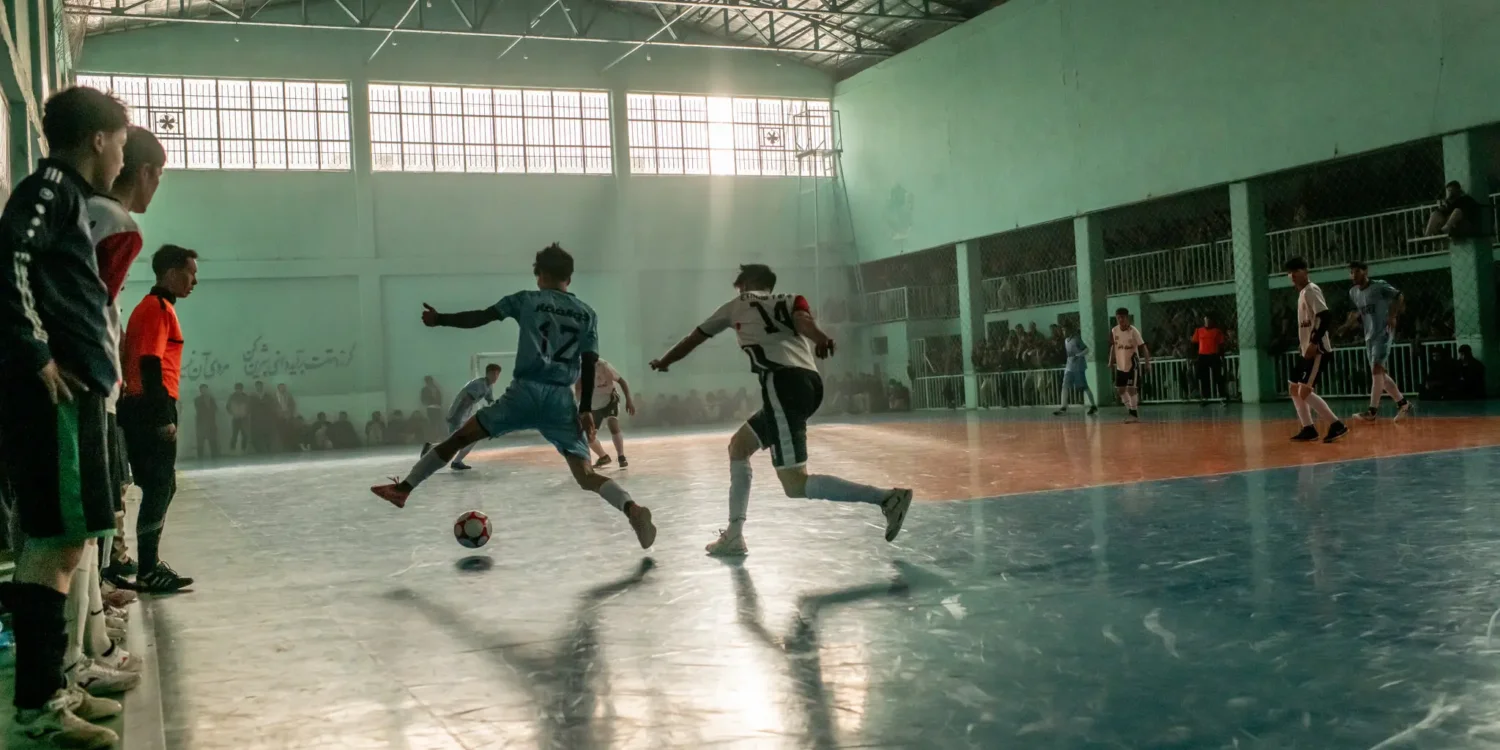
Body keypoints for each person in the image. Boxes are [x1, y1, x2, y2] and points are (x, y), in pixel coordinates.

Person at [370, 243, 657, 550]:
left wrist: (441, 319)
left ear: (540, 275)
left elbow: (481, 317)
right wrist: (584, 408)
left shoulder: (526, 300)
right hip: (562, 400)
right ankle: (632, 509)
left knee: (457, 439)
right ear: (569, 279)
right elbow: (588, 362)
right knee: (586, 476)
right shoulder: (587, 314)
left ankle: (403, 489)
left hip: (524, 392)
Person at [0, 85, 131, 749]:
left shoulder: (68, 198)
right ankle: (38, 708)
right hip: (52, 397)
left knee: (68, 541)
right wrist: (37, 354)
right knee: (53, 546)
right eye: (122, 143)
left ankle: (59, 680)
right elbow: (7, 261)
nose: (124, 158)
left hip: (77, 398)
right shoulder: (48, 190)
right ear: (100, 139)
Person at [650, 264, 913, 557]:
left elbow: (694, 338)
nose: (737, 289)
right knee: (739, 447)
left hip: (781, 383)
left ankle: (887, 499)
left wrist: (664, 361)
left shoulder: (734, 306)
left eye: (739, 285)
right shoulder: (792, 299)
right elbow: (803, 323)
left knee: (794, 484)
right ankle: (734, 534)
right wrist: (821, 339)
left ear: (748, 283)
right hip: (810, 382)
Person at [90, 124, 164, 590]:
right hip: (87, 384)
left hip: (84, 381)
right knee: (84, 517)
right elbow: (94, 308)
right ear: (144, 171)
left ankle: (93, 613)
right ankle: (74, 643)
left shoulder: (81, 210)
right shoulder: (119, 225)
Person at [119, 245, 199, 594]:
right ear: (170, 272)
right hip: (147, 408)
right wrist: (162, 416)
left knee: (163, 486)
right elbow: (150, 364)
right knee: (159, 487)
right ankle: (148, 569)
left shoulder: (157, 308)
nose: (194, 280)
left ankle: (150, 566)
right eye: (189, 272)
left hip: (146, 406)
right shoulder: (156, 309)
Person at [1284, 257, 1348, 443]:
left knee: (1304, 391)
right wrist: (1303, 343)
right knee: (1294, 387)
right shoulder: (1302, 293)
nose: (1293, 274)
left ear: (1305, 271)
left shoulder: (1311, 290)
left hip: (1318, 350)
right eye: (1290, 272)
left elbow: (1324, 316)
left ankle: (1337, 425)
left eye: (1296, 270)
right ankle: (1308, 428)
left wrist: (1313, 341)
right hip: (1307, 349)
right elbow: (1309, 322)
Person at [1345, 261, 1412, 422]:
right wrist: (1350, 323)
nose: (1354, 275)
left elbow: (1399, 296)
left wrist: (1392, 315)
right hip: (1369, 335)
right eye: (1351, 272)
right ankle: (1403, 404)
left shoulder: (1379, 286)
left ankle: (1372, 411)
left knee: (1376, 370)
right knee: (1380, 373)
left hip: (1383, 331)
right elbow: (1363, 313)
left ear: (1365, 271)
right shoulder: (1353, 292)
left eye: (1357, 271)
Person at [422, 364, 502, 471]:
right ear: (488, 373)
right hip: (458, 414)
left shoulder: (488, 386)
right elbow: (465, 401)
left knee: (462, 440)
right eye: (493, 374)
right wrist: (457, 418)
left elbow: (490, 400)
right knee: (462, 440)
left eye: (497, 374)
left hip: (464, 415)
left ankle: (437, 451)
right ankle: (449, 458)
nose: (496, 376)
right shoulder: (478, 384)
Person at [578, 357, 636, 468]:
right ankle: (603, 457)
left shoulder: (603, 365)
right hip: (593, 405)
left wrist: (629, 400)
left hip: (610, 400)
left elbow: (622, 381)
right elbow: (578, 390)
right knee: (588, 435)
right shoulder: (578, 369)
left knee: (612, 424)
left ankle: (621, 456)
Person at [1110, 308, 1151, 423]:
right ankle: (1131, 412)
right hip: (1120, 365)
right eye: (1118, 318)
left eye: (1122, 317)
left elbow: (1144, 347)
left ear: (1127, 318)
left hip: (1132, 364)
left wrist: (1148, 363)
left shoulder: (1133, 331)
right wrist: (1110, 360)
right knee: (1120, 390)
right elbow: (1114, 346)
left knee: (1131, 388)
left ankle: (1134, 414)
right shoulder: (1114, 331)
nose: (1120, 320)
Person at [1054, 323, 1097, 416]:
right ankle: (1063, 406)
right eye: (1062, 330)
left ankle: (1093, 405)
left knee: (1084, 386)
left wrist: (1077, 355)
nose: (1064, 332)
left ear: (1070, 330)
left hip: (1078, 367)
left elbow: (1087, 350)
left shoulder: (1076, 339)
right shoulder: (1066, 341)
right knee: (1064, 385)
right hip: (1069, 367)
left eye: (1065, 330)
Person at [1191, 315, 1229, 405]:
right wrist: (1195, 357)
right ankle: (1205, 397)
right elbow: (1194, 344)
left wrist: (1222, 358)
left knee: (1218, 377)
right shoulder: (1199, 331)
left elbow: (1221, 346)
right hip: (1202, 356)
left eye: (1208, 319)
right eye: (1205, 320)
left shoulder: (1217, 331)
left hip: (1214, 356)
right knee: (1204, 378)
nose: (1207, 322)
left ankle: (1222, 396)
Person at [193, 384, 219, 459]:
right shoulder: (197, 399)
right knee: (200, 441)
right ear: (200, 391)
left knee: (213, 440)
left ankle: (214, 457)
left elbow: (215, 409)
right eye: (203, 389)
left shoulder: (211, 399)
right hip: (201, 423)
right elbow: (199, 410)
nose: (204, 391)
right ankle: (200, 457)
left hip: (211, 423)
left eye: (205, 389)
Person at [226, 383, 251, 453]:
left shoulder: (246, 397)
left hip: (244, 419)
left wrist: (246, 413)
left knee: (245, 435)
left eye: (240, 389)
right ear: (235, 389)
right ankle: (232, 450)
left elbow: (249, 408)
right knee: (234, 435)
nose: (239, 390)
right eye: (237, 389)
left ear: (242, 389)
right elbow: (228, 407)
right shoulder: (232, 397)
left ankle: (244, 450)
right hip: (236, 419)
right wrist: (233, 413)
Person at [420, 375, 443, 439]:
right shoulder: (425, 390)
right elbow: (423, 400)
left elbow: (440, 398)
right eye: (429, 381)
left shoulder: (436, 389)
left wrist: (439, 404)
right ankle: (433, 437)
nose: (430, 382)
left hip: (437, 407)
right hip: (430, 407)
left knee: (438, 422)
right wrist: (430, 400)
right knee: (433, 423)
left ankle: (437, 436)